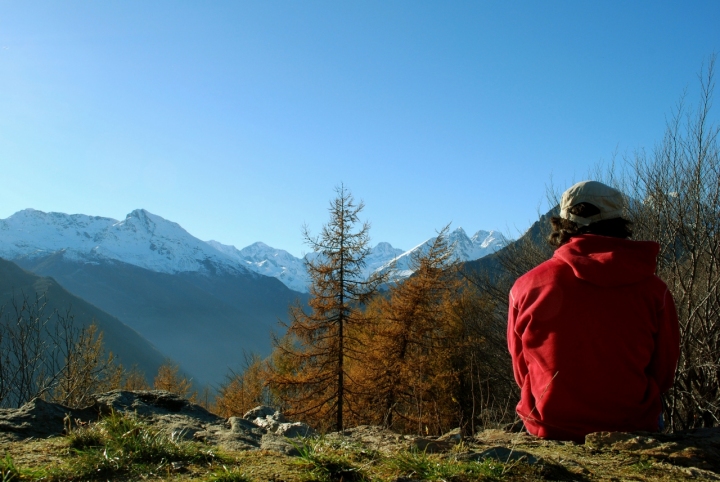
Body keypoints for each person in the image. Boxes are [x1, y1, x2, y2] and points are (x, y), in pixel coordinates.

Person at [507, 180, 680, 442]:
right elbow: (664, 372)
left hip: (551, 425)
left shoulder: (526, 287)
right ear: (618, 221)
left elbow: (522, 371)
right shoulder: (655, 291)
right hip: (632, 424)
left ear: (563, 224)